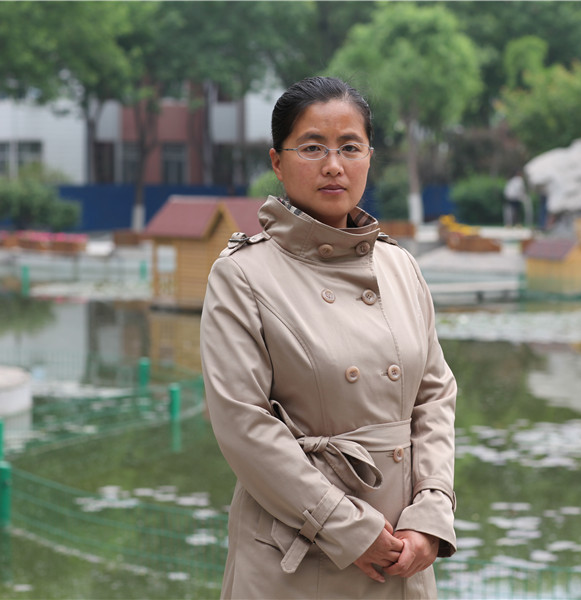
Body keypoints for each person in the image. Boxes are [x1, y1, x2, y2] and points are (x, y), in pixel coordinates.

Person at [200, 76, 457, 599]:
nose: (334, 165)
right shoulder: (243, 274)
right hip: (298, 554)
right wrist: (348, 528)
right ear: (278, 162)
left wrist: (432, 510)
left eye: (350, 147)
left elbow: (434, 395)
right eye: (313, 147)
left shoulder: (400, 267)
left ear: (369, 158)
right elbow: (242, 423)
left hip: (404, 551)